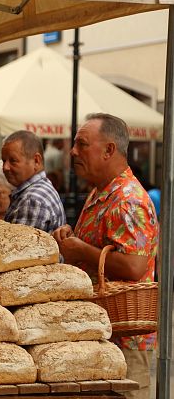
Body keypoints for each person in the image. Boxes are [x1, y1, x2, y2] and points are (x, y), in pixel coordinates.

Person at [52, 113, 158, 399]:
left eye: (82, 144)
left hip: (125, 341)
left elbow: (135, 266)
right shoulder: (102, 192)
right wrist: (70, 237)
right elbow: (99, 248)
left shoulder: (128, 199)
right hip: (104, 336)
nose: (73, 152)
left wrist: (82, 249)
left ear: (109, 150)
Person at [1, 130, 65, 233]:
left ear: (36, 161)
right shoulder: (39, 189)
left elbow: (18, 247)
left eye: (13, 160)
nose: (5, 167)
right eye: (4, 160)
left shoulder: (31, 200)